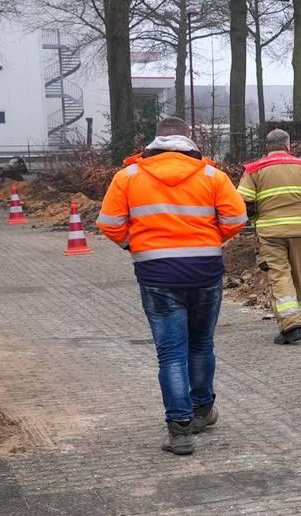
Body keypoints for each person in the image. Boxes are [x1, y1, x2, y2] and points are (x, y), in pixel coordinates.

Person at [96, 117, 247, 455]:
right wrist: (210, 241)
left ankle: (180, 430)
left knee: (170, 353)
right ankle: (203, 409)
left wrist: (134, 246)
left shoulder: (128, 177)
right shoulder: (213, 176)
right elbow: (237, 219)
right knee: (201, 343)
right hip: (205, 272)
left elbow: (108, 223)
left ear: (155, 141)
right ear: (189, 140)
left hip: (157, 275)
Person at [236, 129, 301, 345]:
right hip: (300, 231)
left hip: (270, 233)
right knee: (297, 275)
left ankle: (290, 325)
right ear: (288, 146)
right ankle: (296, 317)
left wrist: (256, 217)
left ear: (267, 147)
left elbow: (244, 201)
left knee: (279, 276)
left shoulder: (254, 169)